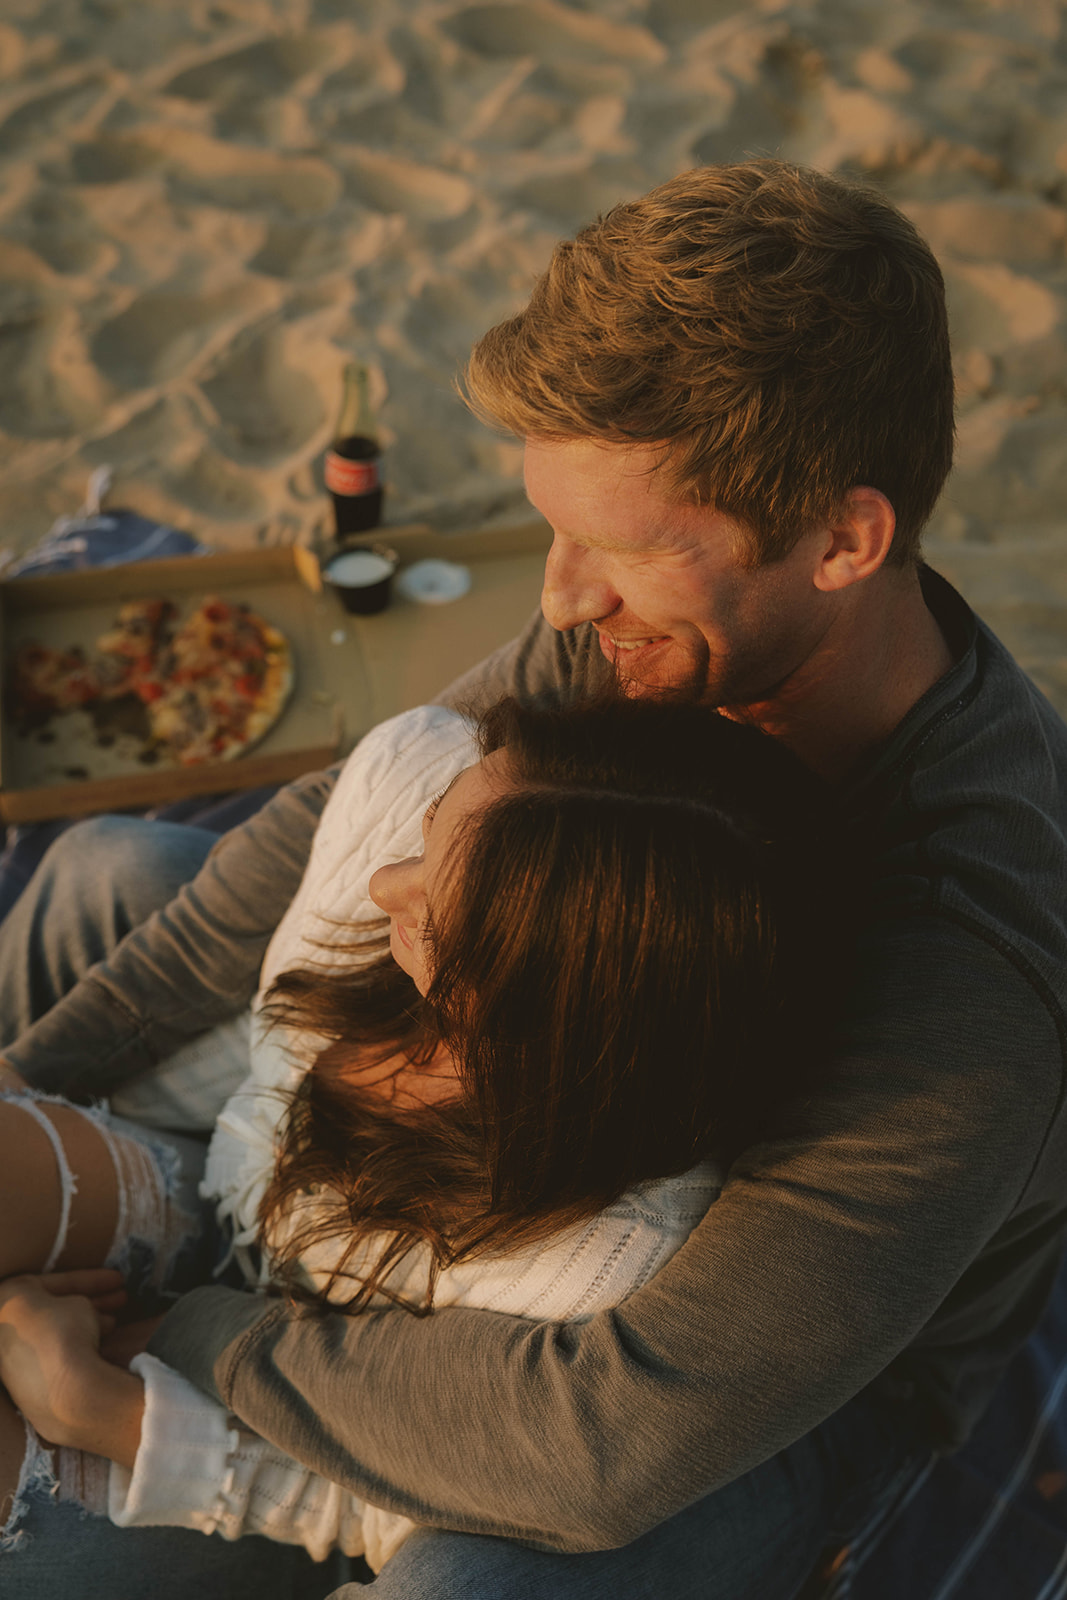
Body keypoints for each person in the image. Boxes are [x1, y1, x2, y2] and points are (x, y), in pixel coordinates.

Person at [1, 157, 1065, 1599]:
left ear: (842, 539)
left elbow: (612, 1435)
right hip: (455, 1119)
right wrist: (25, 1104)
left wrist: (179, 1343)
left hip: (732, 1374)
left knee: (479, 1580)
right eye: (551, 529)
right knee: (113, 870)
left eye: (617, 550)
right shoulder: (639, 641)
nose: (558, 600)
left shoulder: (961, 966)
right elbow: (295, 849)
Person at [0, 695, 833, 1580]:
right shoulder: (418, 766)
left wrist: (103, 1413)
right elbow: (243, 1030)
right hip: (210, 1194)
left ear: (545, 1024)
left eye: (439, 918)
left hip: (278, 1439)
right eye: (436, 826)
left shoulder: (595, 1267)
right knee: (106, 869)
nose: (383, 885)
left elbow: (401, 1518)